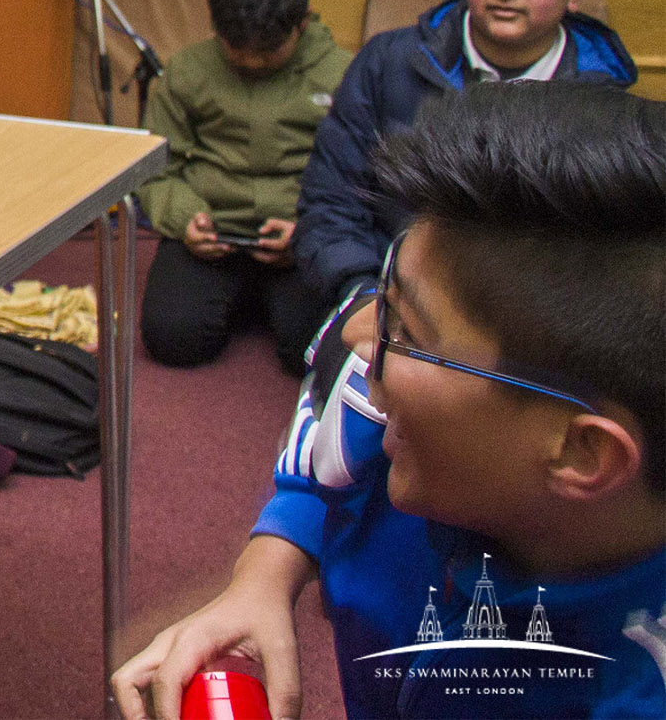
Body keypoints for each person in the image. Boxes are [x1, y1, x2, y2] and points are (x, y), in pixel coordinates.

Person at [115, 81, 666, 719]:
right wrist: (262, 577)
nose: (356, 337)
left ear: (581, 451)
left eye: (407, 331)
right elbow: (324, 475)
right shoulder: (405, 432)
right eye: (385, 298)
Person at [295, 0, 636, 320]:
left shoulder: (603, 99)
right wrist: (361, 297)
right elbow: (332, 201)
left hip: (534, 324)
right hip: (392, 300)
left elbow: (609, 257)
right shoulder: (387, 64)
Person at [136, 0, 348, 373]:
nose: (251, 61)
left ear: (302, 22)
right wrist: (186, 219)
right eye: (237, 49)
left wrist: (311, 230)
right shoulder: (187, 72)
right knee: (172, 340)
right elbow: (155, 167)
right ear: (215, 26)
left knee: (313, 353)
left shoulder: (342, 74)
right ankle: (248, 301)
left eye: (268, 52)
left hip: (303, 238)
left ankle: (264, 302)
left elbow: (361, 177)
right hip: (212, 238)